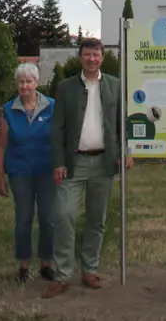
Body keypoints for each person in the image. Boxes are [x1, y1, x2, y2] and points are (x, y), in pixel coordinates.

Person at [43, 38, 132, 298]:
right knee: (64, 215)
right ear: (80, 57)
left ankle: (89, 269)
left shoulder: (115, 85)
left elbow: (122, 124)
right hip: (72, 164)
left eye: (96, 55)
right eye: (87, 55)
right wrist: (58, 162)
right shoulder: (66, 87)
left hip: (104, 163)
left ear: (102, 58)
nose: (92, 59)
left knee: (96, 219)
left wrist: (126, 151)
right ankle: (62, 275)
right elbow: (57, 128)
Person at [0, 62, 57, 284]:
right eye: (21, 82)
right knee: (23, 218)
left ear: (36, 82)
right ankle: (23, 265)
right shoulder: (9, 110)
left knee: (48, 218)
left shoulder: (52, 106)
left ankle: (46, 263)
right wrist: (0, 176)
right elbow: (1, 146)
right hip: (19, 172)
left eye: (28, 81)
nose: (24, 86)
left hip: (47, 172)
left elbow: (61, 139)